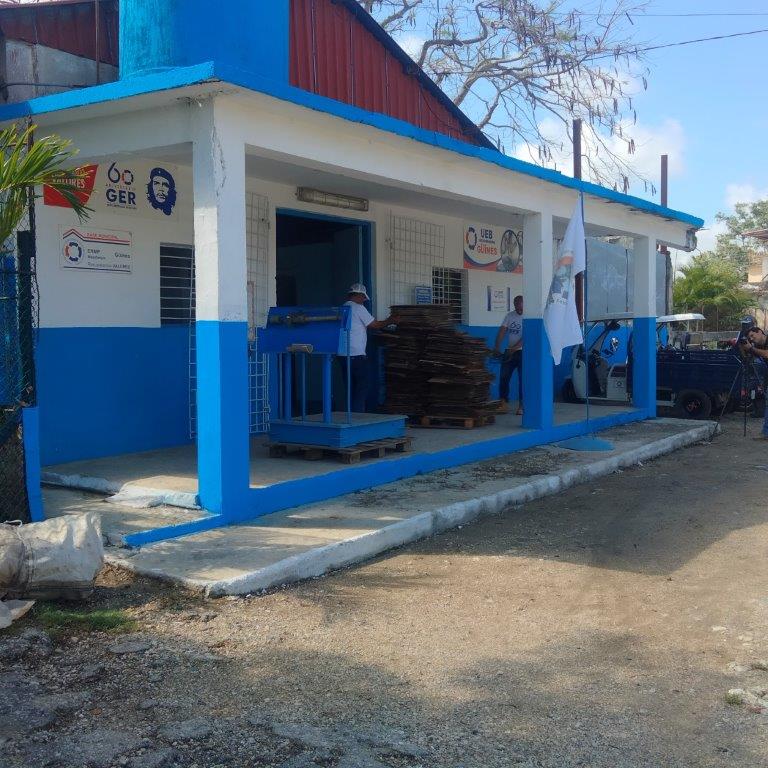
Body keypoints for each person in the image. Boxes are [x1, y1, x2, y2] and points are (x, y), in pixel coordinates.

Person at [343, 284, 395, 413]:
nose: (363, 300)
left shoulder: (343, 308)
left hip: (342, 354)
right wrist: (391, 320)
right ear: (358, 295)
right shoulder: (358, 308)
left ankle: (349, 414)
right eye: (363, 297)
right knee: (362, 385)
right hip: (356, 354)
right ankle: (357, 415)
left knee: (350, 386)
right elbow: (375, 325)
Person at [493, 294, 524, 416]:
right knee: (504, 378)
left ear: (524, 304)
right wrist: (497, 346)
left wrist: (514, 348)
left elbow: (526, 337)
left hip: (522, 353)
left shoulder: (528, 317)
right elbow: (502, 331)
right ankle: (503, 403)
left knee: (523, 379)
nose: (518, 307)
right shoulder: (509, 316)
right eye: (516, 305)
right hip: (509, 351)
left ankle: (522, 406)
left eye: (520, 305)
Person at [739, 326, 768, 440]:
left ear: (760, 332)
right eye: (749, 337)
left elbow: (766, 354)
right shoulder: (757, 346)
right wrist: (743, 347)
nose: (751, 339)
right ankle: (766, 433)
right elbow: (747, 358)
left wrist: (751, 348)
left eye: (752, 335)